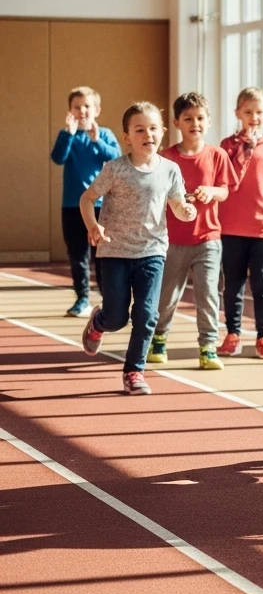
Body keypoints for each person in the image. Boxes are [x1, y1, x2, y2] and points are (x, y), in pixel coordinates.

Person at [79, 102, 195, 395]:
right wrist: (93, 226)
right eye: (140, 129)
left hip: (152, 251)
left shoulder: (170, 169)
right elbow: (87, 198)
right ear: (127, 136)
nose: (148, 134)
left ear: (163, 132)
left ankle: (134, 370)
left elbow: (177, 204)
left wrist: (185, 211)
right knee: (117, 317)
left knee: (146, 314)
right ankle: (99, 321)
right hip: (114, 251)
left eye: (153, 128)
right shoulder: (115, 169)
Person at [149, 93, 232, 370]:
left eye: (199, 118)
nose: (194, 123)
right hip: (172, 242)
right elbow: (156, 193)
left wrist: (211, 192)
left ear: (208, 122)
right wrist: (179, 199)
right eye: (188, 118)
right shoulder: (166, 158)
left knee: (208, 294)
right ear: (176, 122)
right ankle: (159, 339)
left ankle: (208, 347)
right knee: (167, 295)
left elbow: (224, 190)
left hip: (208, 239)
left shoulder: (217, 155)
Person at [219, 88, 263, 360]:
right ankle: (233, 334)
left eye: (259, 112)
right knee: (233, 284)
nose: (254, 117)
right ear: (238, 114)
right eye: (248, 112)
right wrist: (243, 150)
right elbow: (228, 181)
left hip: (262, 228)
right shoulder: (227, 146)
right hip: (231, 227)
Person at [50, 86, 121, 317]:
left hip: (101, 206)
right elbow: (57, 158)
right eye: (77, 107)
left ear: (97, 110)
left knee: (102, 254)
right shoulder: (67, 135)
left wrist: (97, 141)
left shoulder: (105, 134)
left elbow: (116, 160)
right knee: (77, 254)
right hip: (72, 205)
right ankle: (82, 299)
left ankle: (109, 301)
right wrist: (68, 134)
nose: (82, 111)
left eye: (87, 106)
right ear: (70, 111)